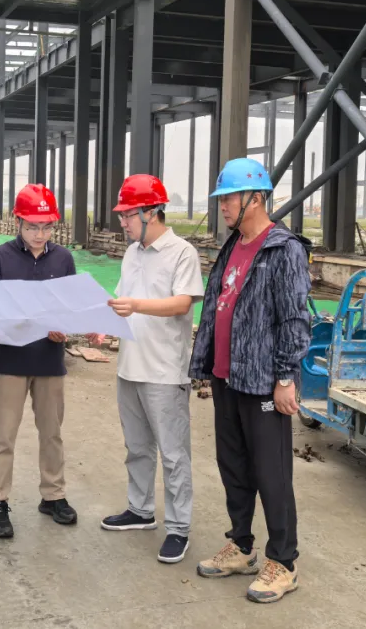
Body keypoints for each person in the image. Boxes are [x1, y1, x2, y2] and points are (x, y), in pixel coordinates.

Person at [190, 158, 310, 604]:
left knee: (271, 474)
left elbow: (294, 318)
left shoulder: (283, 249)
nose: (222, 206)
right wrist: (206, 364)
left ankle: (284, 562)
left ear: (256, 198)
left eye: (229, 198)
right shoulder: (232, 246)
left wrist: (285, 377)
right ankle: (242, 546)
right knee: (234, 468)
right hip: (228, 377)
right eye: (221, 198)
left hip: (262, 381)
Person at [94, 174, 204, 564]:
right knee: (137, 447)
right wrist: (104, 324)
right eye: (122, 215)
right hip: (130, 366)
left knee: (173, 454)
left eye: (128, 215)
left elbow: (183, 303)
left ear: (151, 212)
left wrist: (136, 306)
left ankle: (178, 528)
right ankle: (140, 510)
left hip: (164, 370)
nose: (122, 222)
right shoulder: (132, 254)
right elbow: (124, 302)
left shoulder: (181, 252)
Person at [0, 184, 78, 539]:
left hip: (49, 361)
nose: (40, 234)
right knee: (3, 436)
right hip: (11, 360)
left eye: (47, 227)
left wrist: (64, 329)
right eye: (32, 227)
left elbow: (70, 306)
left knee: (52, 433)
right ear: (18, 222)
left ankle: (53, 495)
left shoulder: (63, 259)